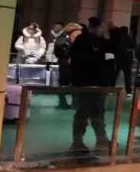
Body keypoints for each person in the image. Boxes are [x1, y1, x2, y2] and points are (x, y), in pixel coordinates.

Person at [69, 18, 114, 153]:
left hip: (98, 83)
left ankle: (101, 139)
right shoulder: (83, 40)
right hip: (86, 83)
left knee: (98, 112)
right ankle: (78, 141)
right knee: (84, 112)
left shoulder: (100, 41)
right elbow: (81, 60)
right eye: (101, 28)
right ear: (94, 27)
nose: (103, 30)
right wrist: (101, 58)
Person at [53, 22, 82, 109]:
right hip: (66, 64)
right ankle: (63, 102)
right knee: (64, 83)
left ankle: (74, 102)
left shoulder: (63, 38)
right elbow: (60, 52)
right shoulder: (62, 39)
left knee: (73, 83)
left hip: (72, 64)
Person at [117, 26, 135, 95]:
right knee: (127, 75)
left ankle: (112, 88)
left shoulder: (120, 38)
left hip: (120, 58)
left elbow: (120, 47)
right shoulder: (130, 38)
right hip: (128, 59)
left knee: (116, 74)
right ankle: (128, 90)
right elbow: (133, 47)